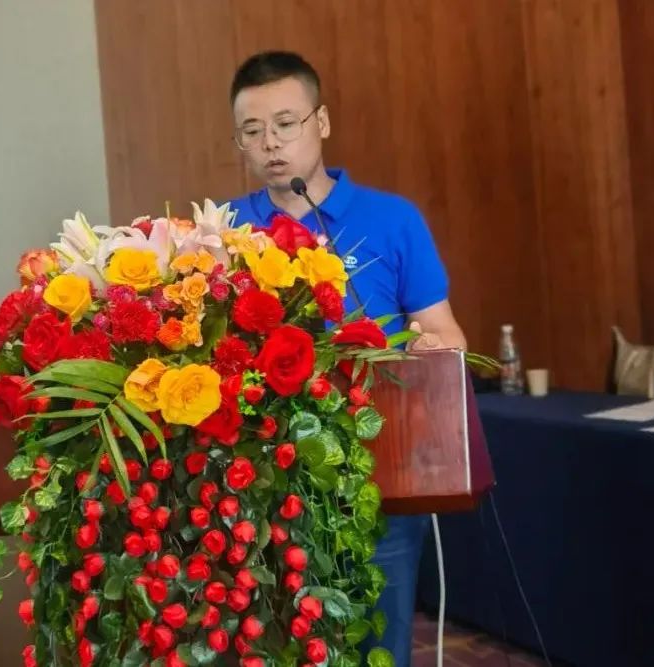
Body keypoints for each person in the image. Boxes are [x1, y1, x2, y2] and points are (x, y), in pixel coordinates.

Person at [225, 51, 467, 667]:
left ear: (322, 122)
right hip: (258, 488)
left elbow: (446, 335)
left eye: (286, 124)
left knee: (377, 647)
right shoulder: (224, 233)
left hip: (376, 477)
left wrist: (428, 349)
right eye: (253, 131)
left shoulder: (392, 219)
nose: (271, 143)